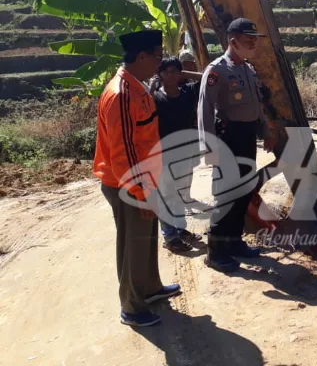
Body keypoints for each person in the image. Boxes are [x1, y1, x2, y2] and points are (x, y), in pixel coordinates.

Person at [93, 29, 181, 327]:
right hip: (127, 184)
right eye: (157, 56)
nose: (160, 62)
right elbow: (124, 153)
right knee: (133, 244)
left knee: (147, 239)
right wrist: (141, 194)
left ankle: (150, 288)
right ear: (141, 56)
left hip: (144, 178)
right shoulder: (121, 94)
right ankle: (132, 307)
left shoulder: (137, 87)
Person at [198, 17, 274, 272]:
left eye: (254, 38)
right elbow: (205, 112)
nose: (253, 42)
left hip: (246, 136)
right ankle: (215, 252)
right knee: (226, 195)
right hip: (227, 138)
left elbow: (257, 107)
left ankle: (234, 242)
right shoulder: (217, 70)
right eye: (248, 39)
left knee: (243, 191)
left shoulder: (247, 69)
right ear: (233, 41)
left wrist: (266, 132)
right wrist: (209, 149)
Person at [153, 57, 204, 253]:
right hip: (164, 155)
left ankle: (180, 230)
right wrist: (153, 86)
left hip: (186, 153)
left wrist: (185, 74)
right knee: (166, 195)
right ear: (161, 74)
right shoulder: (156, 98)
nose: (171, 75)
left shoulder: (188, 93)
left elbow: (209, 76)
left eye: (175, 71)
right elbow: (145, 106)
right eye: (167, 72)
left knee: (180, 194)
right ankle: (170, 236)